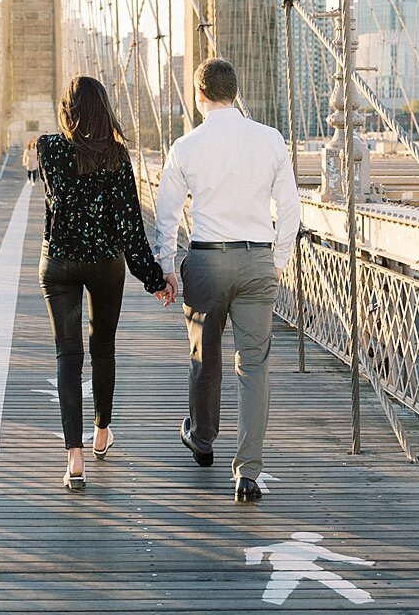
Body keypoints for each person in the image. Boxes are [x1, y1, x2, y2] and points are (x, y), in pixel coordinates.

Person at [153, 58, 300, 504]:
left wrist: (164, 266)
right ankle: (247, 472)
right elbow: (290, 207)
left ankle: (202, 437)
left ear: (199, 97)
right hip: (257, 260)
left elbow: (166, 216)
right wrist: (279, 260)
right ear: (236, 93)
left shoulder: (185, 146)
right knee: (254, 368)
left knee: (206, 357)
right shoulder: (270, 139)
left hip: (207, 261)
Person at [37, 75, 166, 492]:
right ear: (104, 107)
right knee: (102, 349)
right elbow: (130, 227)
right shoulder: (117, 156)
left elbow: (57, 202)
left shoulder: (47, 149)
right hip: (105, 263)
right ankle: (101, 433)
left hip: (58, 263)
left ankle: (74, 459)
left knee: (67, 356)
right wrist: (154, 278)